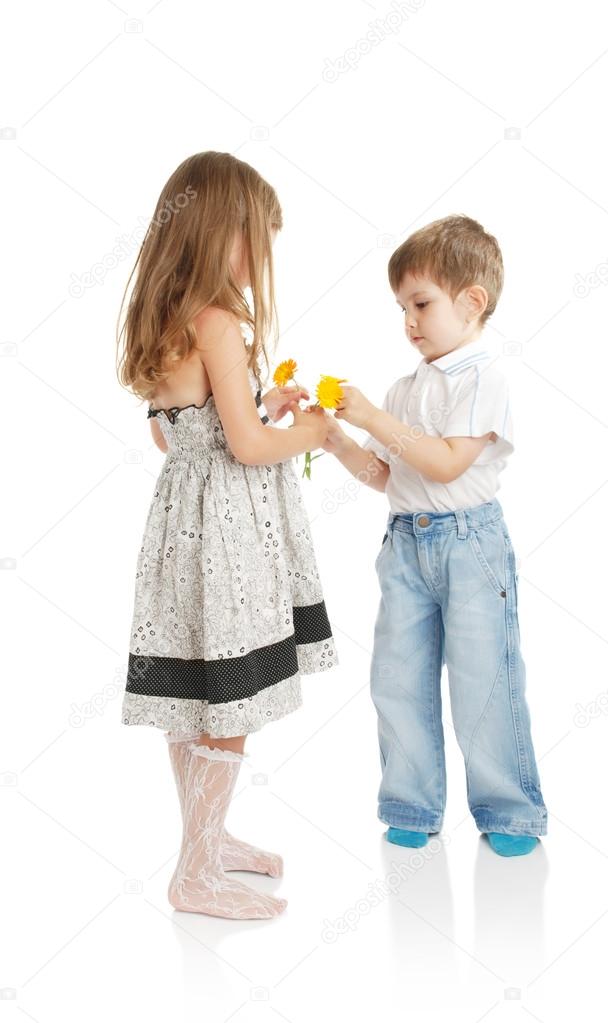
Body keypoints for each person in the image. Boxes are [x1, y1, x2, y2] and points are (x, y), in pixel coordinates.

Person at [116, 151, 337, 918]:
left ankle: (205, 840)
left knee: (195, 691)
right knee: (230, 697)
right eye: (257, 239)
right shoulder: (217, 318)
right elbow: (246, 445)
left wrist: (257, 397)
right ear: (221, 233)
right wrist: (306, 428)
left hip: (181, 524)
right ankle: (195, 872)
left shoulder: (167, 312)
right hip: (227, 535)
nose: (262, 258)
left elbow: (173, 433)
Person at [323, 215, 548, 857]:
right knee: (399, 677)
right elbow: (384, 473)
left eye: (421, 303)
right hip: (405, 545)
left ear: (472, 303)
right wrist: (337, 435)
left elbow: (447, 462)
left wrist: (369, 414)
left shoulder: (484, 380)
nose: (409, 320)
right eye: (402, 307)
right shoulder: (403, 388)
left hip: (470, 546)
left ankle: (509, 809)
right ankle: (411, 803)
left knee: (485, 677)